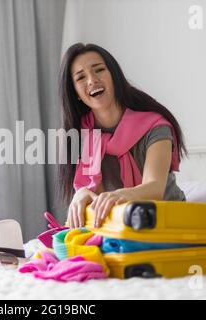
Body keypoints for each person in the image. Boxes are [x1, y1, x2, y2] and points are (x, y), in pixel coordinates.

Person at [57, 43, 187, 229]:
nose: (92, 80)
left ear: (114, 76)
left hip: (169, 219)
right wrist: (82, 193)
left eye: (99, 70)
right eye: (81, 78)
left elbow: (155, 188)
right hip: (121, 225)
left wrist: (119, 195)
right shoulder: (83, 135)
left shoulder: (155, 126)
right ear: (75, 92)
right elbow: (95, 197)